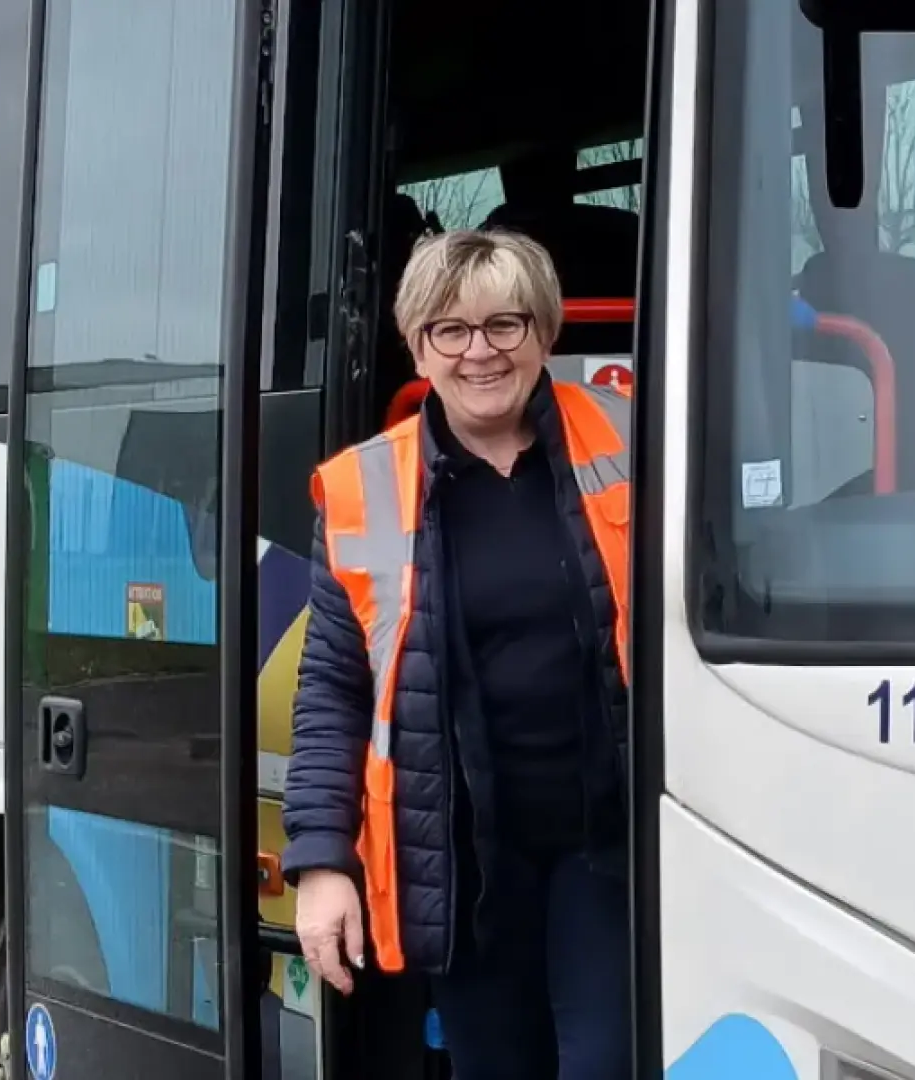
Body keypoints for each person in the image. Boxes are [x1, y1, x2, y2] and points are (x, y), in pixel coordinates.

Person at [282, 228, 633, 1079]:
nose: (481, 353)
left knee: (609, 1064)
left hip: (609, 844)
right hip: (465, 863)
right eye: (452, 330)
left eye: (506, 325)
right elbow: (333, 688)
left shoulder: (633, 438)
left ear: (544, 334)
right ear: (419, 347)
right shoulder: (366, 487)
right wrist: (322, 862)